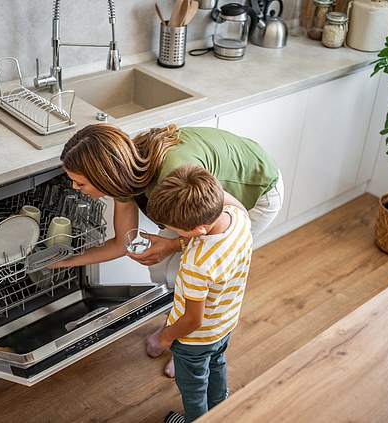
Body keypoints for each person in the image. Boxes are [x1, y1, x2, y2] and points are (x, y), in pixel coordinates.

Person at [50, 123, 283, 376]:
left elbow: (231, 212)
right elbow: (122, 244)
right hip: (202, 212)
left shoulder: (176, 172)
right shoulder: (124, 174)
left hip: (253, 195)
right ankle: (179, 327)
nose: (74, 188)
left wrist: (173, 245)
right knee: (164, 272)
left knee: (192, 280)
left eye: (79, 184)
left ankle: (188, 345)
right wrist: (66, 261)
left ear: (103, 177)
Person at [144, 164, 253, 423]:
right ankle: (220, 411)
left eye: (174, 229)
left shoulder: (196, 263)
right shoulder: (238, 218)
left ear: (199, 230)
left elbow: (193, 320)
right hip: (224, 323)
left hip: (194, 340)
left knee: (193, 388)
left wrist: (167, 337)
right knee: (216, 366)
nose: (173, 232)